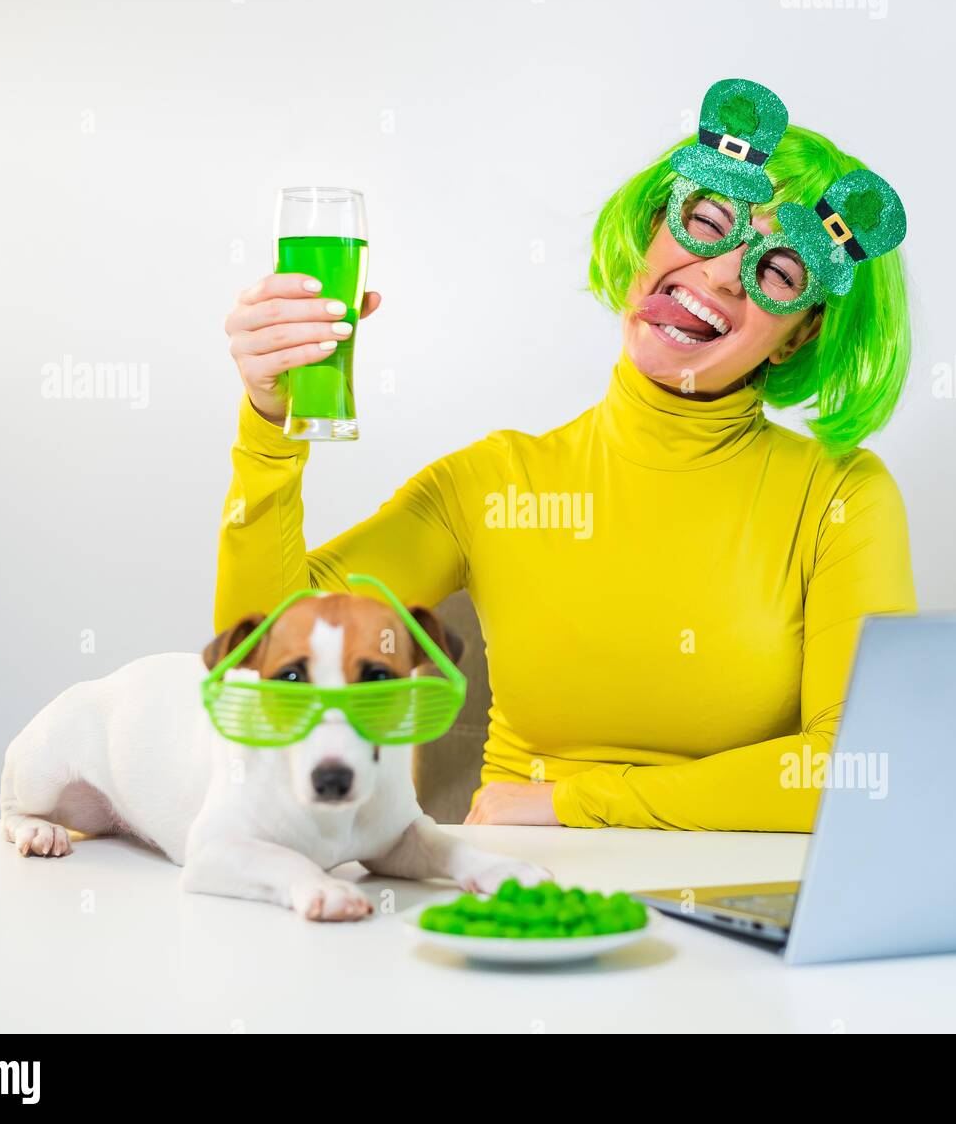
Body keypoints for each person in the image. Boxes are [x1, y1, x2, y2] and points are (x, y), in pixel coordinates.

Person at [215, 79, 916, 831]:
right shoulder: (492, 484)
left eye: (776, 272)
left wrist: (576, 804)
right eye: (708, 221)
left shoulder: (842, 497)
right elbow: (256, 657)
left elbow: (863, 765)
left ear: (802, 333)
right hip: (524, 888)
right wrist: (269, 427)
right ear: (651, 231)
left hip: (742, 905)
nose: (718, 275)